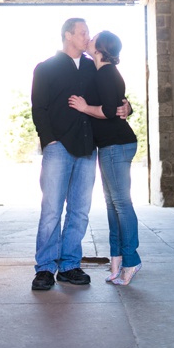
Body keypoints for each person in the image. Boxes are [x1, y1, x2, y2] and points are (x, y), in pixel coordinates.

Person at [30, 18, 99, 291]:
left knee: (80, 211)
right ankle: (45, 268)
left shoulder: (94, 68)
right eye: (83, 32)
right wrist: (50, 141)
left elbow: (108, 97)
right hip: (58, 147)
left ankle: (70, 265)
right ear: (68, 35)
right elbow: (39, 108)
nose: (87, 36)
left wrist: (126, 105)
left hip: (87, 147)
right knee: (51, 211)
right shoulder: (45, 68)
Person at [68, 30, 142, 285]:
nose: (88, 38)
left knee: (121, 204)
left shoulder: (107, 72)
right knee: (112, 205)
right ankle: (117, 261)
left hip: (116, 145)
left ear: (99, 48)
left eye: (93, 37)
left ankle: (131, 260)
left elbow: (111, 110)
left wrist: (84, 107)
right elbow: (118, 103)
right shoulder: (100, 71)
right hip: (110, 146)